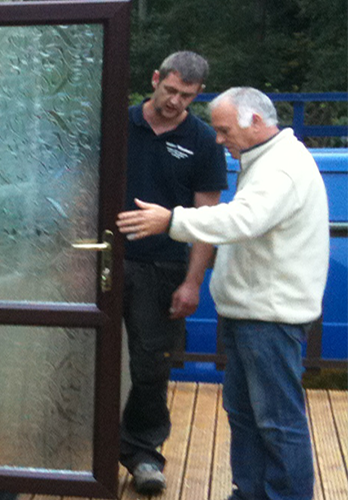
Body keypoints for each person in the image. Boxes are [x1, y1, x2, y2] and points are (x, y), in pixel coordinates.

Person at [117, 87, 330, 500]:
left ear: (254, 122)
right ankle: (249, 493)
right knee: (247, 417)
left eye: (223, 129)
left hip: (269, 319)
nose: (217, 139)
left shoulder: (282, 168)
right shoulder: (264, 160)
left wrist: (172, 220)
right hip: (252, 314)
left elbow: (242, 219)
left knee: (278, 423)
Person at [120, 51, 228, 494]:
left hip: (164, 266)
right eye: (170, 90)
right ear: (155, 79)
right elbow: (83, 187)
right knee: (81, 354)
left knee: (150, 366)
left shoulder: (203, 140)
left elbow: (207, 219)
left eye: (187, 95)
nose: (175, 102)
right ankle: (76, 447)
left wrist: (191, 282)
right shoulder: (118, 124)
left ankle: (143, 454)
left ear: (199, 94)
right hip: (104, 259)